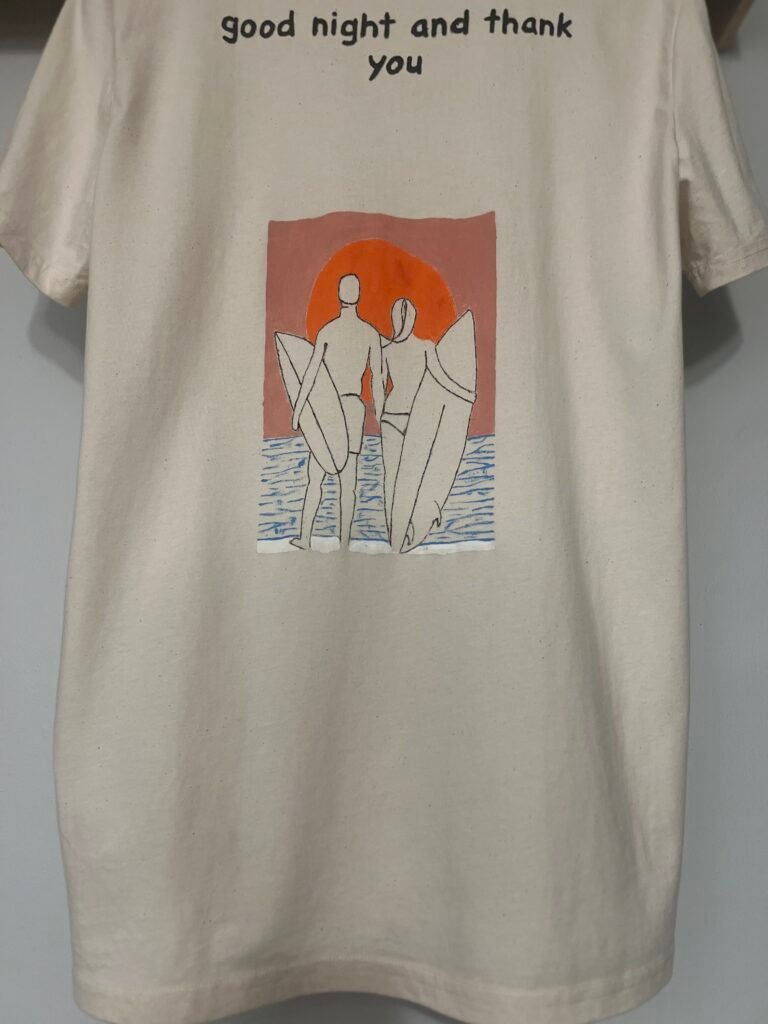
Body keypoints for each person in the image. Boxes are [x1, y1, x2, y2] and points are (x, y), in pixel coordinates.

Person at [291, 273, 385, 549]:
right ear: (359, 296)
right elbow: (377, 380)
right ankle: (344, 544)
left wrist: (298, 409)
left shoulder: (327, 331)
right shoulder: (370, 334)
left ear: (339, 295)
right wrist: (381, 413)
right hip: (354, 407)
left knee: (315, 478)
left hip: (329, 408)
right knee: (348, 483)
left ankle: (305, 537)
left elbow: (310, 374)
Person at [380, 297, 476, 540]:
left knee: (392, 477)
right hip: (416, 416)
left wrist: (379, 413)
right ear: (413, 319)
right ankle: (407, 530)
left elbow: (380, 387)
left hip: (390, 416)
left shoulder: (386, 350)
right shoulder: (425, 347)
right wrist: (465, 394)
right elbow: (440, 379)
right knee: (412, 475)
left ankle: (393, 532)